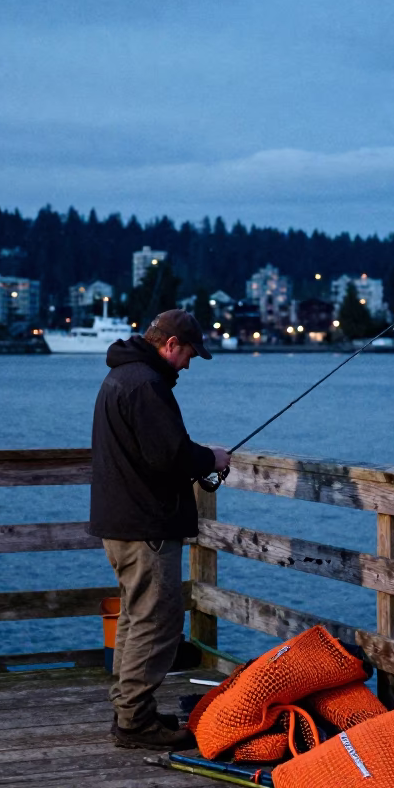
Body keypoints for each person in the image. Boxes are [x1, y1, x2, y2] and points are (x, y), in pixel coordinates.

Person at [89, 308, 231, 749]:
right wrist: (211, 458)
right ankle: (136, 722)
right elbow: (169, 456)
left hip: (122, 521)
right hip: (145, 525)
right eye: (189, 353)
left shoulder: (122, 376)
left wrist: (194, 454)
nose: (188, 364)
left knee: (136, 618)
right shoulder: (146, 385)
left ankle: (131, 711)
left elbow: (154, 449)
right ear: (170, 345)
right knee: (157, 622)